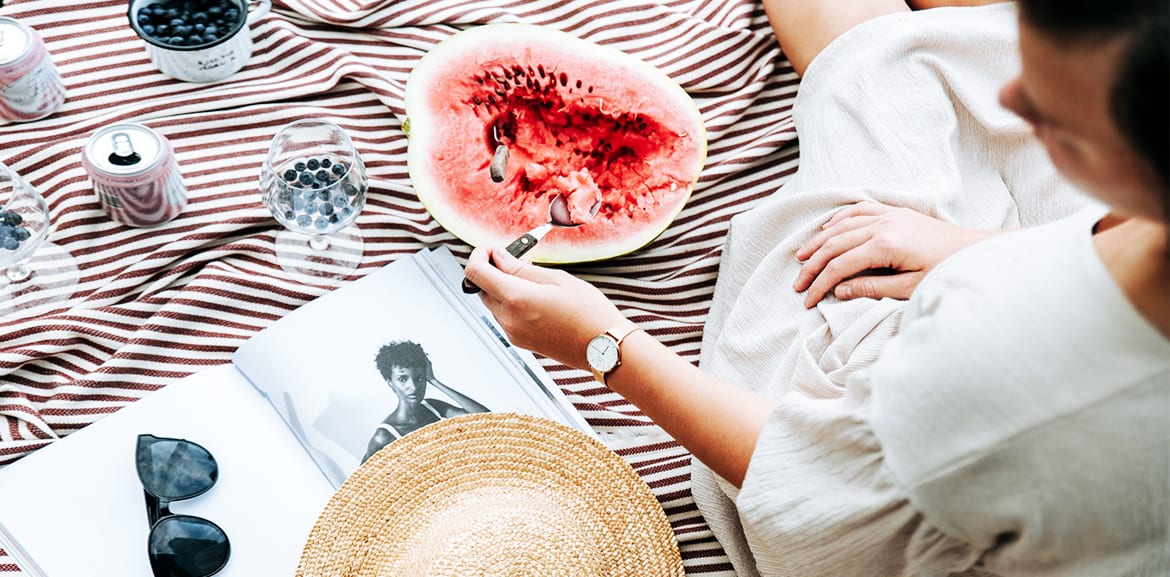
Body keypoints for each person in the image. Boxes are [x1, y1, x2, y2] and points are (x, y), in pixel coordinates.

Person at [463, 0, 1169, 574]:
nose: (1015, 95)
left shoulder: (990, 371)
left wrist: (601, 341)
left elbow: (804, 486)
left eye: (1053, 115)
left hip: (881, 508)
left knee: (878, 67)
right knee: (940, 51)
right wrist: (971, 247)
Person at [363, 340, 489, 461]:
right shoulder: (384, 436)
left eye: (419, 378)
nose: (413, 387)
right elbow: (362, 479)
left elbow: (485, 418)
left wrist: (434, 381)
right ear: (390, 383)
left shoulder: (433, 407)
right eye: (402, 379)